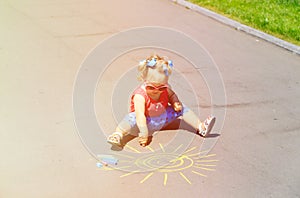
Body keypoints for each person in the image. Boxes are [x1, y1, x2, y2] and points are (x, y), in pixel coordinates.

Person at [107, 54, 215, 147]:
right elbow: (140, 116)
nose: (157, 90)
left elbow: (172, 95)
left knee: (183, 108)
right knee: (131, 118)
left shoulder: (166, 88)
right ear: (144, 80)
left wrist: (175, 102)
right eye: (151, 87)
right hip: (145, 123)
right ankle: (118, 134)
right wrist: (144, 134)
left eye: (161, 87)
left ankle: (201, 127)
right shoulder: (140, 95)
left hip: (162, 119)